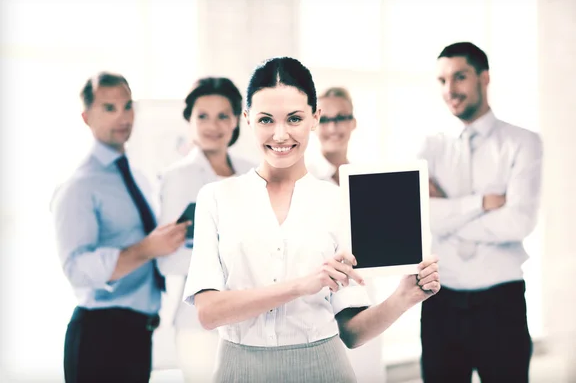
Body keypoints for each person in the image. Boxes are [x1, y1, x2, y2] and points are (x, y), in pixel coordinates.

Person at [182, 57, 441, 383]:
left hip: (323, 368)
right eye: (265, 120)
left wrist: (404, 297)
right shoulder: (215, 198)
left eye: (294, 118)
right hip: (238, 370)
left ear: (314, 118)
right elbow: (209, 312)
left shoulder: (339, 202)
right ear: (246, 119)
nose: (280, 134)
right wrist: (303, 285)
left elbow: (352, 333)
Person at [51, 72, 190, 383]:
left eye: (127, 106)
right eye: (109, 108)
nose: (123, 116)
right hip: (99, 337)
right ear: (87, 117)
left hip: (139, 335)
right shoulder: (79, 186)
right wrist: (147, 249)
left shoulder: (139, 178)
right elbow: (76, 267)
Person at [418, 42, 543, 383]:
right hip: (440, 301)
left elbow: (519, 222)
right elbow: (419, 220)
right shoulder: (429, 147)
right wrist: (479, 204)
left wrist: (447, 215)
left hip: (500, 303)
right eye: (442, 80)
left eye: (460, 77)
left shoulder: (523, 143)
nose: (450, 90)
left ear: (484, 78)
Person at [156, 77, 255, 382]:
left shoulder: (252, 173)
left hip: (251, 315)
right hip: (198, 324)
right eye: (203, 116)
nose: (213, 125)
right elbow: (168, 259)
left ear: (238, 120)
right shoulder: (176, 178)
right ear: (189, 119)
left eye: (223, 115)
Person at [307, 86, 385, 383]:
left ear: (354, 123)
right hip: (320, 296)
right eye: (326, 119)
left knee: (366, 370)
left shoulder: (369, 180)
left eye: (342, 118)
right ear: (314, 124)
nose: (334, 127)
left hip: (364, 289)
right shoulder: (306, 180)